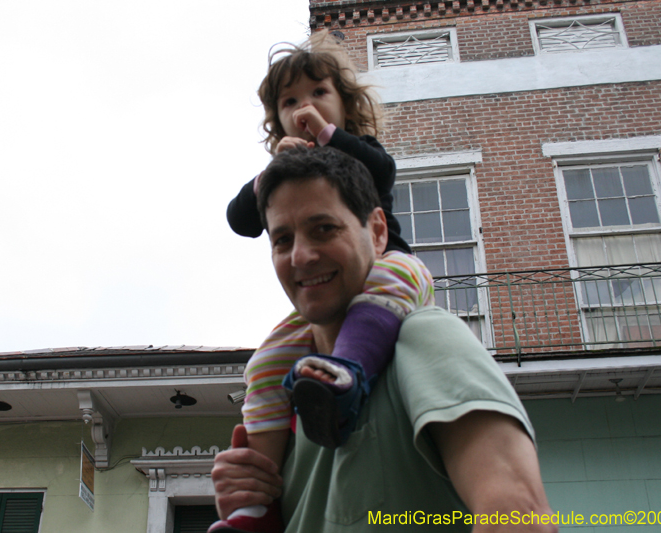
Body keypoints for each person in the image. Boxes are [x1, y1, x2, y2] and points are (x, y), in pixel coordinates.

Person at [212, 146, 557, 533]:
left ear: (378, 232)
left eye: (324, 229)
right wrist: (256, 506)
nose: (301, 256)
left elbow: (518, 516)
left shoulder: (424, 335)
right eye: (282, 240)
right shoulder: (288, 394)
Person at [216, 31, 434, 533]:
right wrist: (272, 171)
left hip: (388, 275)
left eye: (318, 93)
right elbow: (239, 219)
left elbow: (382, 168)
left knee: (396, 275)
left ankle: (345, 377)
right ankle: (256, 508)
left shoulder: (361, 152)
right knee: (267, 359)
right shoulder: (282, 172)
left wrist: (330, 139)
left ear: (345, 104)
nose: (303, 107)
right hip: (323, 303)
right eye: (289, 102)